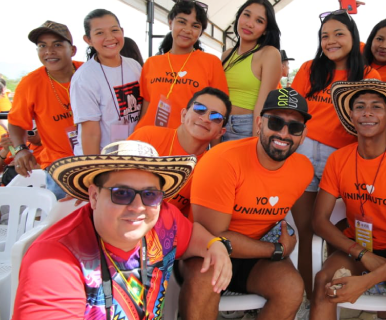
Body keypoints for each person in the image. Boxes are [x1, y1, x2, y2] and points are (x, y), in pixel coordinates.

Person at [12, 140, 233, 320]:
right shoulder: (54, 259)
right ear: (94, 196)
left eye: (150, 194)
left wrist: (216, 246)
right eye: (121, 193)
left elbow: (193, 236)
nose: (138, 207)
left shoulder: (164, 218)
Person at [180, 87, 314, 320]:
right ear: (259, 123)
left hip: (255, 259)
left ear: (303, 135)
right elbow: (214, 237)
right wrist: (276, 249)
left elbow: (305, 225)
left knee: (291, 288)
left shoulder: (303, 169)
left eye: (294, 127)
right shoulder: (223, 160)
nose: (283, 133)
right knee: (206, 272)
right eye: (275, 122)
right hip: (206, 252)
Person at [311, 79, 386, 320]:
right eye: (360, 106)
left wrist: (369, 279)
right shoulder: (338, 160)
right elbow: (319, 221)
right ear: (351, 115)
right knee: (324, 281)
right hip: (357, 248)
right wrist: (362, 254)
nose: (367, 112)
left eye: (376, 107)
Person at [291, 9, 380, 299]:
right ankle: (308, 297)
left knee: (346, 227)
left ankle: (357, 287)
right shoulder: (308, 69)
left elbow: (372, 121)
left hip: (341, 160)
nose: (331, 41)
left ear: (353, 37)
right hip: (302, 155)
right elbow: (293, 108)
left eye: (339, 34)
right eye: (324, 36)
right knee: (306, 231)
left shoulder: (368, 74)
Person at [8, 20, 83, 199]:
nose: (49, 51)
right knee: (62, 220)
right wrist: (20, 150)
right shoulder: (30, 83)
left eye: (57, 44)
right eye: (42, 46)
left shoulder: (88, 72)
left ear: (72, 50)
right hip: (59, 166)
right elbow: (16, 123)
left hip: (95, 159)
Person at [128, 87, 231, 217]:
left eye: (216, 117)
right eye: (200, 109)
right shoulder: (147, 137)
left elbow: (190, 223)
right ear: (183, 115)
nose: (205, 119)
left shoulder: (210, 169)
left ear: (220, 133)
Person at [137, 0, 229, 131]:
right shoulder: (151, 63)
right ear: (170, 23)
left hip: (188, 143)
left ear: (200, 32)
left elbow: (218, 112)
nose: (187, 30)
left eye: (195, 26)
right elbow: (146, 109)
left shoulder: (211, 62)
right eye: (182, 22)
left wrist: (214, 150)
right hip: (148, 142)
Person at [71, 9, 142, 155]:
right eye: (99, 33)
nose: (109, 37)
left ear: (122, 31)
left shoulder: (134, 66)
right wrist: (95, 171)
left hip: (131, 153)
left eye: (114, 30)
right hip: (103, 158)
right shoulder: (84, 78)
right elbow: (90, 133)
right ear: (88, 40)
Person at [221, 0, 282, 141]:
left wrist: (255, 143)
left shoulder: (269, 54)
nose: (249, 24)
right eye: (246, 15)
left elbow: (262, 107)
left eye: (259, 21)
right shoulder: (226, 55)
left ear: (266, 30)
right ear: (238, 17)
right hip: (218, 124)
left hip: (246, 128)